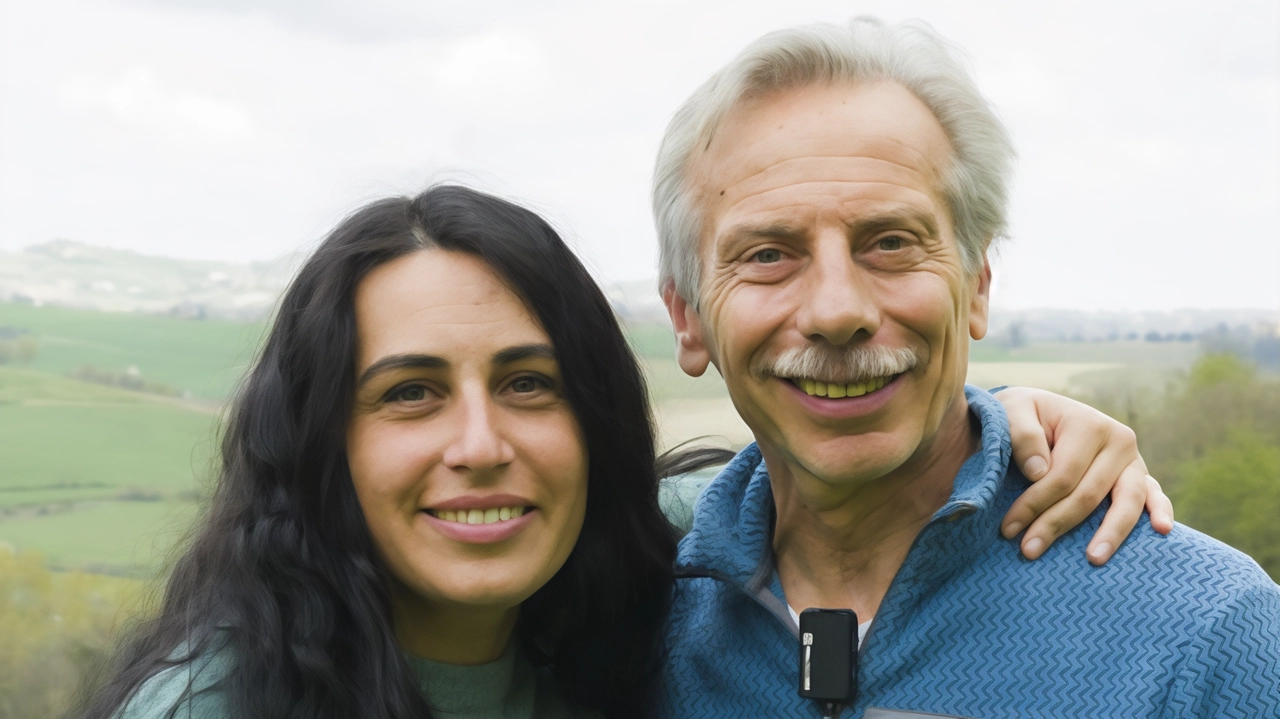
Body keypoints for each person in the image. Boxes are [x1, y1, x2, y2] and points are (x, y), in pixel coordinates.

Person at [80, 186, 1166, 719]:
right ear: (321, 444)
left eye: (526, 383)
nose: (479, 444)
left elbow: (820, 490)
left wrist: (1007, 420)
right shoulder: (218, 702)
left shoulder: (661, 558)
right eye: (408, 393)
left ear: (592, 420)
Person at [652, 17, 1280, 718]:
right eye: (768, 253)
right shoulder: (624, 624)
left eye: (889, 242)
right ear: (688, 317)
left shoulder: (1209, 634)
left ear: (977, 286)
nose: (837, 310)